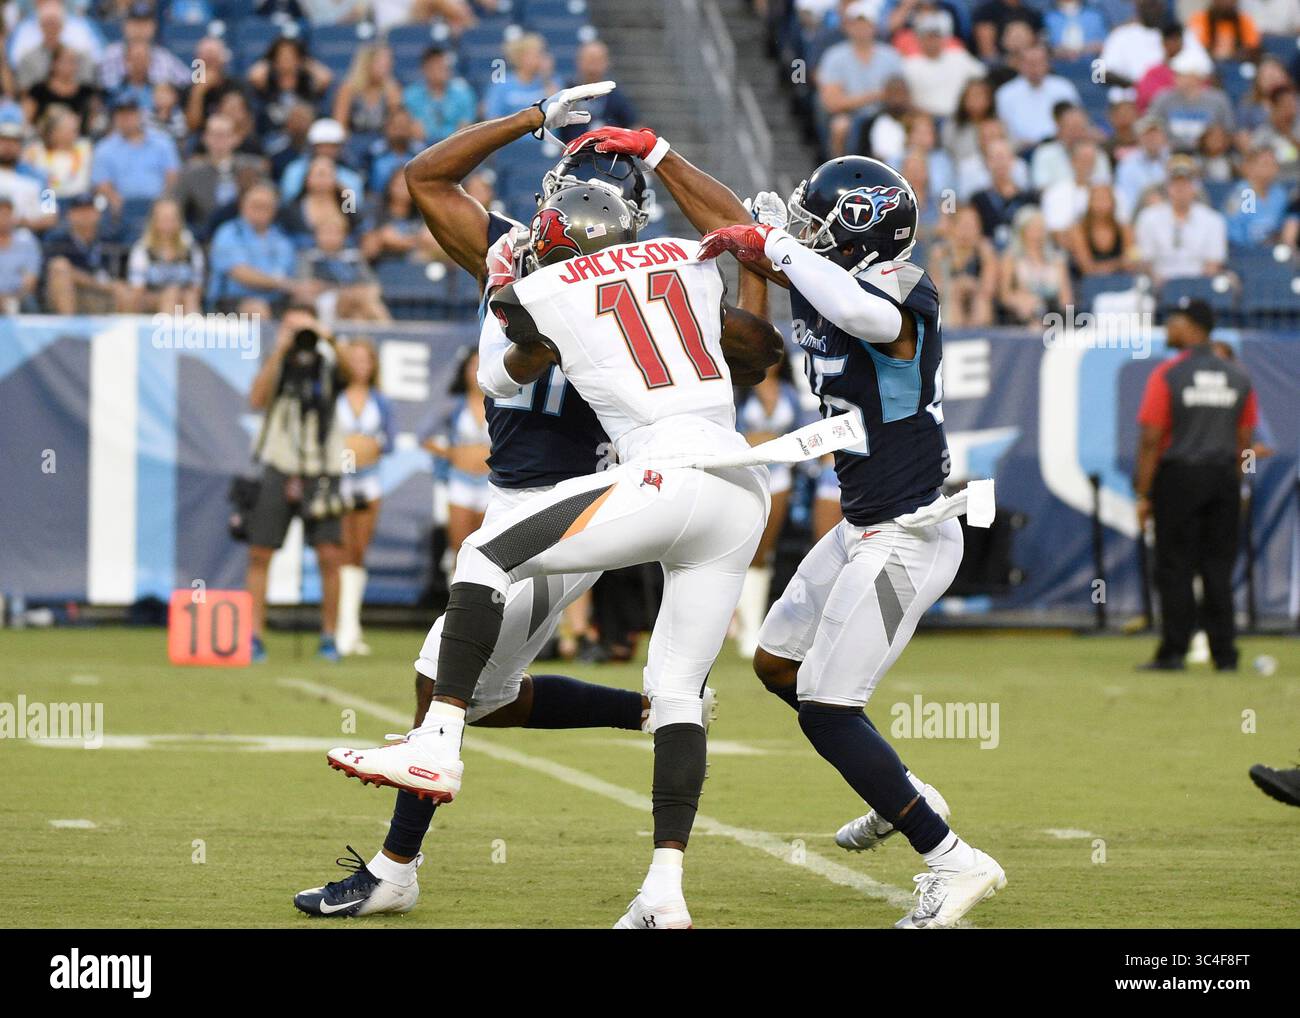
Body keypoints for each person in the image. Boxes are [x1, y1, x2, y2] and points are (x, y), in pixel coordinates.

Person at [295, 85, 767, 920]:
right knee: (491, 695)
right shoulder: (525, 253)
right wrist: (530, 118)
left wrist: (535, 333)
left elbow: (742, 342)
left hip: (581, 498)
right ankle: (644, 710)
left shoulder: (581, 280)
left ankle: (395, 866)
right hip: (524, 492)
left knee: (442, 675)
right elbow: (426, 181)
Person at [587, 129, 1008, 929]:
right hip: (863, 525)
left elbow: (855, 307)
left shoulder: (901, 290)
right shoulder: (825, 271)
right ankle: (905, 791)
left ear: (859, 230)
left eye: (822, 226)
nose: (806, 236)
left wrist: (777, 242)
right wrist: (658, 154)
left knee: (825, 706)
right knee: (778, 664)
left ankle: (953, 860)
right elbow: (738, 226)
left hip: (910, 534)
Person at [1134, 299, 1257, 672]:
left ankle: (1174, 651)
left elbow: (1151, 439)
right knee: (1218, 568)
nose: (1168, 328)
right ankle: (1225, 654)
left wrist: (1143, 493)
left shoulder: (1168, 374)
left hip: (1179, 478)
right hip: (1223, 478)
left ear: (1192, 327)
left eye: (1174, 320)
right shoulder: (1238, 376)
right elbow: (1245, 441)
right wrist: (1240, 484)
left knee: (1175, 567)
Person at [244, 306, 346, 663]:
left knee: (330, 554)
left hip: (323, 467)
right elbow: (256, 400)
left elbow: (353, 376)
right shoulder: (279, 363)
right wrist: (281, 351)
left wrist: (328, 338)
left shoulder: (330, 362)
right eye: (292, 328)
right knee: (260, 550)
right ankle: (254, 636)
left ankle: (331, 636)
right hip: (279, 463)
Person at [733, 354, 803, 658]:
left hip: (780, 476)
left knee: (763, 551)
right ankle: (739, 622)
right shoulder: (740, 391)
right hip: (745, 476)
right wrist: (757, 439)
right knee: (742, 549)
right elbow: (729, 433)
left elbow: (799, 431)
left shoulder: (789, 393)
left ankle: (753, 628)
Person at [334, 338, 396, 657]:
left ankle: (352, 626)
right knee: (341, 549)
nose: (360, 366)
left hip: (369, 482)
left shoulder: (380, 401)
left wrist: (368, 448)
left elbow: (390, 442)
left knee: (359, 550)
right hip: (340, 482)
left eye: (365, 360)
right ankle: (340, 627)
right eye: (354, 360)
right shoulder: (336, 396)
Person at [422, 347, 491, 567]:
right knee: (459, 548)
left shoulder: (502, 404)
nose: (477, 370)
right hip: (460, 481)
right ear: (464, 371)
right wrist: (451, 453)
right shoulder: (453, 405)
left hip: (491, 483)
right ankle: (456, 595)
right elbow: (424, 435)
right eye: (473, 365)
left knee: (488, 551)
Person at [816, 0, 903, 156]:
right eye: (857, 23)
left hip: (885, 114)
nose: (862, 29)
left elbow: (898, 95)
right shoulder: (834, 56)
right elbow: (831, 103)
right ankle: (840, 171)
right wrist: (874, 96)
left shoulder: (891, 56)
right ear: (848, 26)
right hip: (850, 115)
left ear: (874, 26)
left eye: (866, 24)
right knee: (840, 126)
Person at [206, 182, 307, 316]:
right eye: (255, 205)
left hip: (277, 299)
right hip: (232, 301)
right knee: (257, 309)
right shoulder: (229, 232)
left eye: (266, 207)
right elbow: (241, 273)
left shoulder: (281, 238)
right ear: (243, 206)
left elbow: (288, 272)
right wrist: (283, 284)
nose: (260, 211)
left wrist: (302, 288)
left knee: (307, 304)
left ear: (274, 210)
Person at [1133, 155, 1228, 284]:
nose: (1181, 188)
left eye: (1186, 183)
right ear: (1167, 187)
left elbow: (1213, 263)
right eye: (1176, 183)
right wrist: (1159, 281)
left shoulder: (1213, 220)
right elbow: (1145, 260)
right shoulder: (1148, 217)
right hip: (1159, 284)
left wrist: (1192, 286)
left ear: (1195, 187)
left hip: (1199, 284)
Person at [42, 191, 125, 312]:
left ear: (98, 214)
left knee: (123, 291)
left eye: (89, 210)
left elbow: (120, 275)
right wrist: (98, 284)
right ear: (70, 215)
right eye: (80, 211)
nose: (85, 215)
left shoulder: (109, 239)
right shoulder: (57, 240)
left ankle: (123, 330)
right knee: (60, 267)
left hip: (102, 296)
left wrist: (110, 286)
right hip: (73, 294)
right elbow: (56, 270)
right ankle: (67, 327)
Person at [994, 43, 1082, 152]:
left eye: (1039, 62)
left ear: (1047, 64)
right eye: (1030, 63)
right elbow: (1003, 129)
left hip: (1061, 148)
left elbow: (1076, 122)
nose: (1035, 68)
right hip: (1021, 150)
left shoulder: (1064, 87)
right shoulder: (1005, 93)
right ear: (1020, 64)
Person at [125, 196, 204, 313]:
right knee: (171, 296)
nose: (169, 225)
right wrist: (167, 297)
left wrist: (178, 296)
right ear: (154, 221)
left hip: (185, 303)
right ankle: (165, 328)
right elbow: (137, 293)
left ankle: (193, 329)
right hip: (152, 306)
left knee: (190, 298)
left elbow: (197, 288)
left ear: (180, 221)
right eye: (164, 219)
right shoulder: (142, 249)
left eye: (173, 219)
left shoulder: (190, 247)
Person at [998, 205, 1072, 323]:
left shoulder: (1057, 260)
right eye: (1032, 228)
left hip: (1053, 313)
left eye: (1040, 228)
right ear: (1022, 230)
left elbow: (1066, 297)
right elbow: (1004, 294)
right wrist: (1020, 300)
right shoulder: (1010, 258)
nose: (1037, 233)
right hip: (1022, 313)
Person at [930, 204, 997, 326]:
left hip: (976, 302)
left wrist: (972, 285)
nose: (967, 231)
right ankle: (955, 336)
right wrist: (955, 286)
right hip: (948, 302)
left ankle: (977, 334)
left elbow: (989, 288)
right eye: (963, 225)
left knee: (982, 300)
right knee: (953, 296)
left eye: (972, 226)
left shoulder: (985, 252)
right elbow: (935, 288)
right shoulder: (941, 251)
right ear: (953, 227)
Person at [401, 45, 476, 147]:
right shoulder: (411, 95)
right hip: (421, 149)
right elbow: (415, 130)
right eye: (434, 66)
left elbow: (465, 128)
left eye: (443, 65)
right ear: (425, 69)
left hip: (455, 147)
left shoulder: (463, 93)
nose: (440, 70)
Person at [1066, 182, 1137, 277]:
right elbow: (1087, 268)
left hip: (1121, 282)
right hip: (1090, 285)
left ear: (1113, 202)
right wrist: (1119, 264)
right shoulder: (1078, 230)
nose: (1101, 204)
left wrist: (1103, 267)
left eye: (1105, 199)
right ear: (1089, 203)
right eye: (1097, 199)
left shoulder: (1124, 229)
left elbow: (1131, 262)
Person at [331, 43, 402, 136]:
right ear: (367, 63)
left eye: (389, 63)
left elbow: (397, 125)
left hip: (382, 143)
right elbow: (339, 126)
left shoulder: (392, 89)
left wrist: (393, 98)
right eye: (382, 64)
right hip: (353, 142)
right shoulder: (348, 89)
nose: (387, 68)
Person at [0, 194, 41, 312]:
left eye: (6, 214)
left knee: (28, 302)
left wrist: (12, 299)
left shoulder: (26, 240)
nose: (3, 218)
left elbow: (30, 280)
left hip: (18, 297)